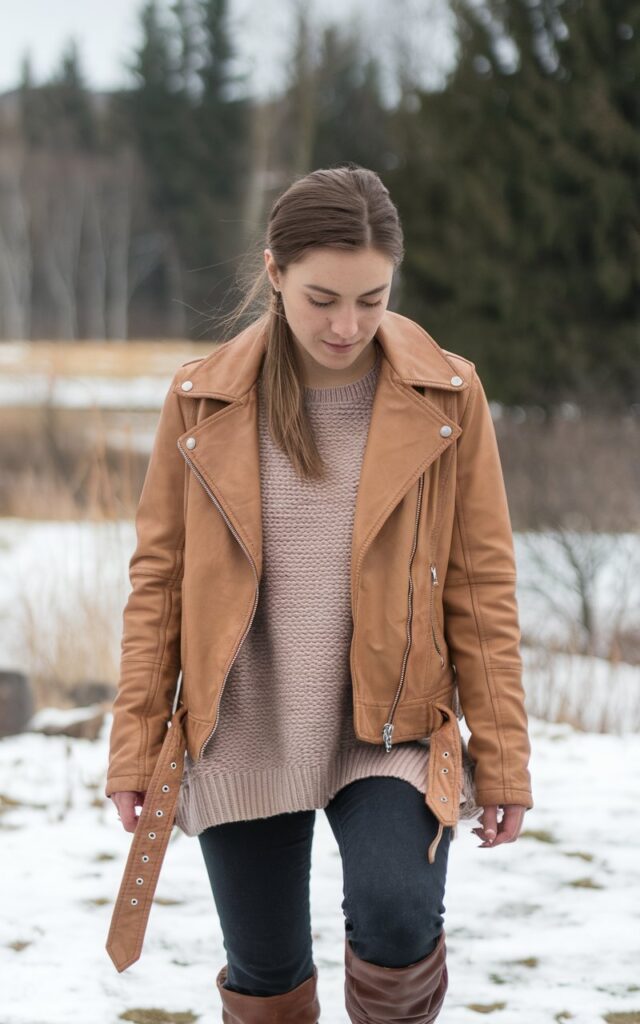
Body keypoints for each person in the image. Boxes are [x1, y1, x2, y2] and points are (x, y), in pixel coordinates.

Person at [106, 164, 534, 1024]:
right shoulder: (201, 402)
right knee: (263, 974)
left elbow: (483, 585)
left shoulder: (447, 393)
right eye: (322, 298)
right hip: (245, 725)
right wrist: (134, 744)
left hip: (392, 727)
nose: (347, 325)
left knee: (397, 913)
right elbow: (158, 582)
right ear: (274, 273)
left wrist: (506, 755)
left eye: (372, 299)